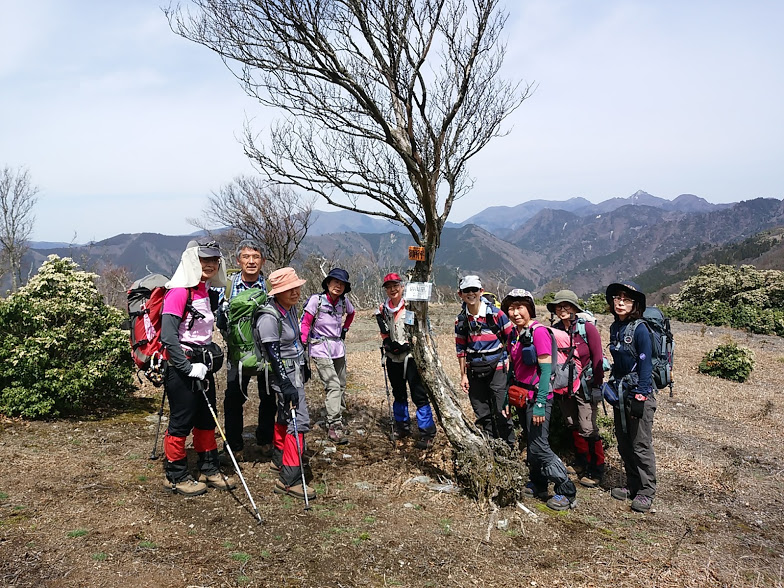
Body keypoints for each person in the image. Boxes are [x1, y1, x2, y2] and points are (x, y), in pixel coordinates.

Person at [161, 240, 236, 496]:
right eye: (205, 260)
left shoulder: (205, 291)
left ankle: (209, 468)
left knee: (207, 417)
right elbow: (168, 337)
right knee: (181, 421)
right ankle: (176, 474)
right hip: (182, 365)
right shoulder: (179, 292)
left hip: (203, 364)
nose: (210, 264)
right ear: (193, 261)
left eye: (214, 260)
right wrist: (186, 367)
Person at [502, 288, 577, 511]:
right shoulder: (514, 334)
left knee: (539, 447)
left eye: (520, 307)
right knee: (532, 441)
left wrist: (541, 404)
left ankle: (567, 490)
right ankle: (539, 483)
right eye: (512, 308)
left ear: (530, 309)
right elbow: (512, 370)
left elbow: (546, 373)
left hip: (538, 397)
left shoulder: (540, 333)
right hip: (522, 396)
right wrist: (507, 397)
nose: (515, 312)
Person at [256, 267, 315, 500]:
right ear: (276, 292)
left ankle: (280, 459)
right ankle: (289, 480)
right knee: (298, 421)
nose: (295, 292)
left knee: (284, 415)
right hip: (285, 374)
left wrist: (304, 364)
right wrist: (286, 383)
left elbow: (294, 342)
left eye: (296, 287)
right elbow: (273, 354)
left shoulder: (289, 309)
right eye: (288, 289)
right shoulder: (269, 317)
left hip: (295, 369)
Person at [217, 240, 276, 464]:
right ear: (238, 260)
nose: (251, 261)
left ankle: (265, 440)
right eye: (246, 257)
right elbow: (219, 318)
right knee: (233, 398)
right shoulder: (227, 286)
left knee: (269, 397)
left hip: (266, 352)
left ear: (262, 260)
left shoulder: (270, 287)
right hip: (237, 353)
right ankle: (234, 445)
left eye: (255, 257)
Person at [605, 281, 656, 513]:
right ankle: (632, 485)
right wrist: (610, 383)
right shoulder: (615, 327)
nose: (620, 301)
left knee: (640, 443)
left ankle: (646, 491)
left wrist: (641, 395)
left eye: (626, 298)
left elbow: (645, 364)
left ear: (635, 303)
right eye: (617, 297)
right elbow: (619, 363)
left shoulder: (641, 328)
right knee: (624, 441)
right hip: (621, 391)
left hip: (637, 393)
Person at [547, 289, 606, 488]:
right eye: (558, 306)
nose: (562, 309)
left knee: (587, 426)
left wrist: (597, 384)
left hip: (585, 384)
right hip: (564, 385)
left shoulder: (586, 328)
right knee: (571, 422)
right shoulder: (555, 329)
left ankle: (596, 468)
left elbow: (597, 356)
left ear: (574, 308)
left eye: (566, 306)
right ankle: (581, 461)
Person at [375, 272, 437, 450]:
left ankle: (427, 431)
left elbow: (421, 328)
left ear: (402, 287)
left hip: (410, 356)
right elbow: (384, 330)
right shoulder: (383, 309)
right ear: (386, 290)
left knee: (418, 393)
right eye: (389, 287)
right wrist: (387, 341)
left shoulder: (410, 306)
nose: (393, 289)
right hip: (392, 356)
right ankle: (402, 426)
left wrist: (409, 344)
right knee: (398, 393)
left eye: (396, 286)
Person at [455, 275, 514, 447]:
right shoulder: (461, 320)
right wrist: (463, 375)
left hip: (498, 366)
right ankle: (491, 445)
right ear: (460, 294)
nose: (471, 294)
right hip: (474, 368)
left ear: (481, 291)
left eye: (474, 290)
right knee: (482, 411)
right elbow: (461, 349)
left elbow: (511, 338)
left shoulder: (496, 314)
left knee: (501, 408)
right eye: (467, 290)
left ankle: (508, 446)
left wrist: (510, 361)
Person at [300, 268, 356, 444]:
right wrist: (303, 342)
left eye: (342, 284)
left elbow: (352, 313)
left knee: (341, 383)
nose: (338, 286)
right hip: (319, 347)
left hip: (337, 347)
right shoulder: (316, 300)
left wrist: (345, 328)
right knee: (332, 384)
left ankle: (336, 412)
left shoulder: (343, 302)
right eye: (335, 282)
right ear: (328, 283)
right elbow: (306, 321)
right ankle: (334, 424)